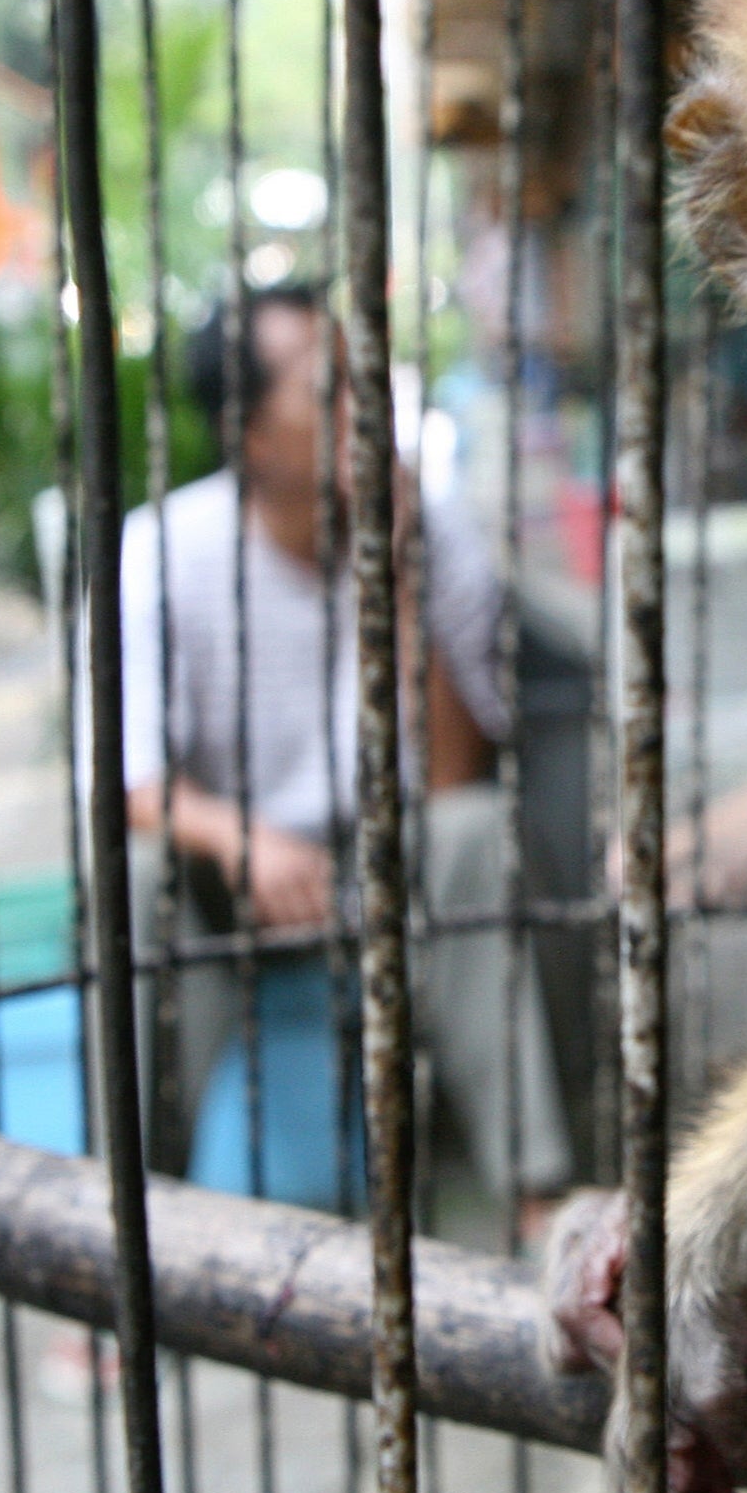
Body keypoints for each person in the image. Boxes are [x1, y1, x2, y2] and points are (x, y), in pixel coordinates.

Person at [112, 281, 572, 1226]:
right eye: (331, 392)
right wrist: (245, 841)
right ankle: (126, 1225)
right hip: (230, 864)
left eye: (371, 382)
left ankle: (535, 1197)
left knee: (476, 831)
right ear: (251, 438)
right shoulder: (165, 550)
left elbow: (453, 778)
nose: (369, 413)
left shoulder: (428, 522)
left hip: (378, 855)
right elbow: (132, 782)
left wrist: (400, 574)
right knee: (135, 875)